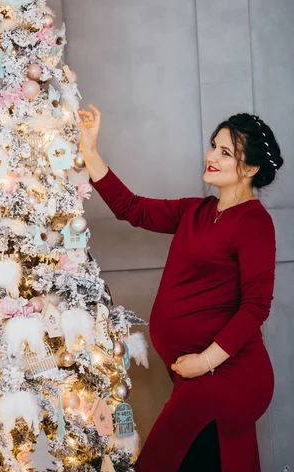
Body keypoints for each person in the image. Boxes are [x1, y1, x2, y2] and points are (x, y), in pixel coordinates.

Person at [76, 105, 284, 472]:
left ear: (249, 169)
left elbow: (255, 307)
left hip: (229, 374)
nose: (211, 156)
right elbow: (132, 208)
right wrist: (90, 151)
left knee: (159, 463)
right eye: (213, 146)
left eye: (225, 152)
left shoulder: (255, 222)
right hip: (196, 375)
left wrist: (203, 362)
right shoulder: (197, 211)